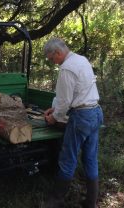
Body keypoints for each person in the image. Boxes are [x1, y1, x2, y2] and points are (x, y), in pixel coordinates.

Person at [43, 38, 103, 208]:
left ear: (58, 53)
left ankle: (56, 200)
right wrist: (56, 110)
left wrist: (53, 118)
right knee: (90, 158)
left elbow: (64, 101)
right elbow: (77, 94)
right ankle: (91, 202)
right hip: (95, 111)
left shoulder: (66, 68)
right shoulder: (81, 59)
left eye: (51, 58)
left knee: (68, 158)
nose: (51, 61)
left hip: (82, 116)